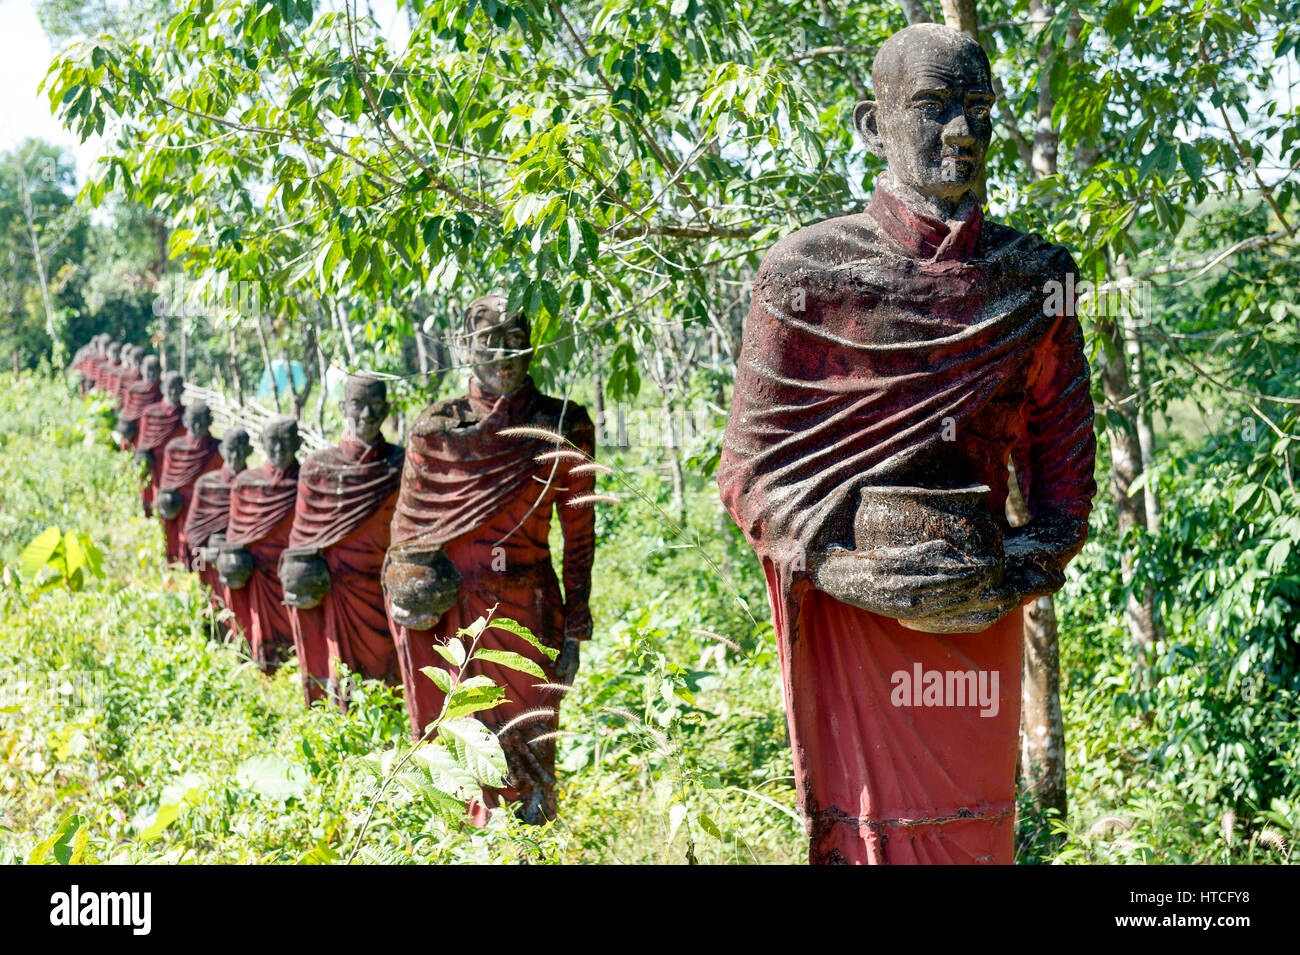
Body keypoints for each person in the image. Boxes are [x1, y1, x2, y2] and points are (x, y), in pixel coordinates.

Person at [717, 24, 1096, 864]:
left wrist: (1008, 570)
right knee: (865, 839)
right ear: (869, 122)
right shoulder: (804, 274)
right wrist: (854, 568)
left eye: (980, 110)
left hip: (977, 613)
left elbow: (1067, 489)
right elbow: (748, 476)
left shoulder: (1046, 278)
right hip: (853, 612)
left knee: (975, 832)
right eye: (933, 108)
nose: (963, 134)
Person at [384, 295, 596, 824]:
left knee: (526, 750)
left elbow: (580, 538)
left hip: (527, 615)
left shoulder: (563, 423)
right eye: (489, 343)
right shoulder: (436, 428)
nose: (504, 356)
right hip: (445, 620)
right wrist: (406, 592)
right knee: (453, 750)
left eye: (515, 342)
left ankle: (528, 853)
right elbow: (406, 538)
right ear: (463, 346)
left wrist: (575, 631)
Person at [280, 376, 404, 707]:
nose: (367, 414)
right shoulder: (319, 468)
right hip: (339, 592)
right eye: (358, 405)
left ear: (388, 408)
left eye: (376, 405)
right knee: (344, 683)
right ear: (342, 408)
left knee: (392, 686)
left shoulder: (401, 463)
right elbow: (302, 543)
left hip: (388, 591)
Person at [218, 417, 301, 671]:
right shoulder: (246, 484)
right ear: (262, 444)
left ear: (298, 443)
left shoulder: (309, 482)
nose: (279, 450)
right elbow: (235, 536)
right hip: (259, 575)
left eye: (286, 442)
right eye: (273, 443)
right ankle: (264, 667)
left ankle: (300, 668)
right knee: (261, 636)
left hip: (295, 574)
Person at [185, 427, 252, 611]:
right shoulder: (206, 484)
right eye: (231, 450)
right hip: (211, 561)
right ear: (222, 450)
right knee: (215, 608)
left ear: (250, 452)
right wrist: (200, 564)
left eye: (241, 450)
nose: (236, 456)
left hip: (246, 563)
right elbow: (193, 533)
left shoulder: (256, 486)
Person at [157, 402, 222, 565]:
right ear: (186, 421)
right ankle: (182, 569)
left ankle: (201, 576)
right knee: (183, 541)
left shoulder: (219, 449)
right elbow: (167, 484)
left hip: (209, 509)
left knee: (202, 545)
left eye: (203, 420)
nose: (199, 426)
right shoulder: (174, 448)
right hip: (183, 506)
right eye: (194, 420)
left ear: (210, 421)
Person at [134, 371, 186, 519]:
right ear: (163, 388)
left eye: (178, 387)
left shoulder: (186, 415)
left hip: (180, 466)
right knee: (156, 495)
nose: (174, 392)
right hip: (158, 462)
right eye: (171, 387)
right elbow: (143, 443)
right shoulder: (152, 413)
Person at [117, 355, 162, 452]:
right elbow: (127, 413)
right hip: (135, 432)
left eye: (155, 370)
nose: (152, 373)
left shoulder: (163, 390)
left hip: (154, 435)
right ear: (142, 370)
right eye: (149, 369)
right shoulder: (134, 389)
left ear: (160, 371)